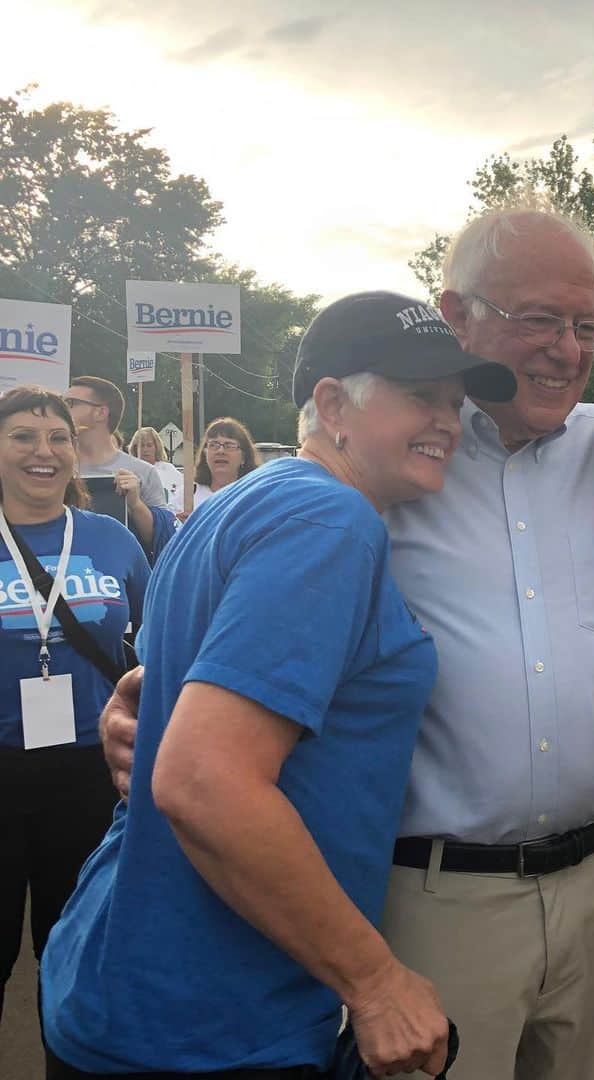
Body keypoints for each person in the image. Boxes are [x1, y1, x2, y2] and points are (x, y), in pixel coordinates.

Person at [98, 209, 594, 1080]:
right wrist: (159, 693)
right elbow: (218, 736)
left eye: (587, 325)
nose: (567, 347)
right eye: (539, 319)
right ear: (457, 314)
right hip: (438, 899)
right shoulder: (374, 482)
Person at [40, 292, 516, 1079]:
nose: (448, 422)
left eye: (456, 403)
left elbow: (182, 688)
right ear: (331, 403)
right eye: (421, 395)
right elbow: (203, 779)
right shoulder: (329, 522)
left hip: (126, 976)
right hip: (211, 1017)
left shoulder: (239, 504)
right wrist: (375, 983)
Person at [0, 386, 149, 1035]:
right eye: (24, 437)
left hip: (92, 773)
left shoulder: (110, 538)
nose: (44, 451)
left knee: (75, 953)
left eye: (57, 436)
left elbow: (158, 637)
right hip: (0, 772)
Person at [62, 377, 167, 549]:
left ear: (101, 413)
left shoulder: (143, 472)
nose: (62, 410)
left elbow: (159, 540)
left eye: (70, 403)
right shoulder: (56, 468)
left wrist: (135, 504)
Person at [181, 416, 261, 521]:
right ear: (205, 454)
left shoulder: (255, 497)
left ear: (244, 457)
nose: (220, 451)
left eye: (229, 445)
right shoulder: (187, 495)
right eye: (213, 445)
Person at [129, 426, 184, 513]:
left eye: (149, 445)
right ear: (135, 448)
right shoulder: (131, 471)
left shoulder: (168, 469)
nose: (145, 449)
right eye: (141, 446)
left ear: (156, 447)